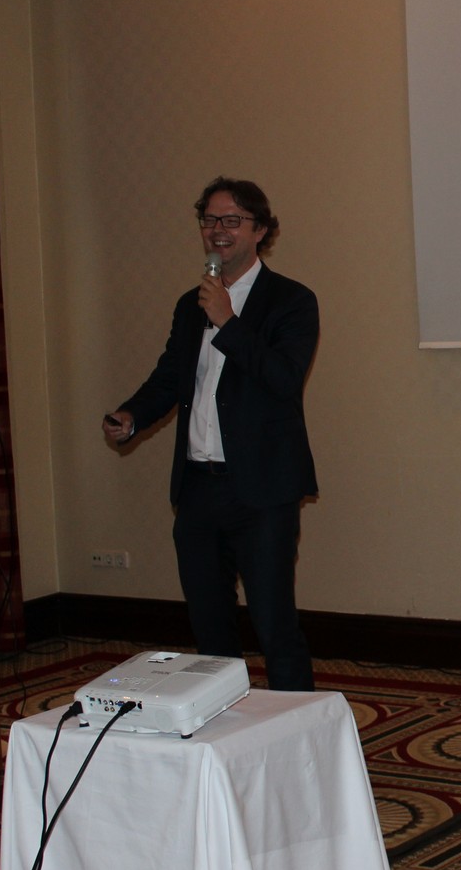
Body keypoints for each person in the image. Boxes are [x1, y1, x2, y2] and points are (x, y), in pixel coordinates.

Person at [102, 177, 319, 690]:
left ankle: (298, 729)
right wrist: (132, 415)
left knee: (274, 625)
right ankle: (220, 729)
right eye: (209, 219)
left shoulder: (291, 300)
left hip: (263, 490)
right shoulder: (190, 304)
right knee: (209, 628)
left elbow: (284, 379)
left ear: (260, 230)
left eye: (232, 220)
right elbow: (170, 378)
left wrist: (228, 321)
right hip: (198, 488)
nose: (218, 230)